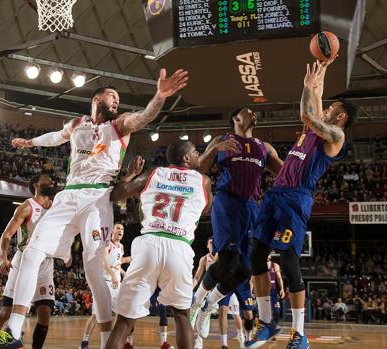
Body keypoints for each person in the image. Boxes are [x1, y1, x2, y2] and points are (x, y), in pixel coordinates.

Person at [0, 68, 188, 349]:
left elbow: (144, 117)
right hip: (68, 196)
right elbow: (56, 137)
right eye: (112, 96)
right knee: (32, 252)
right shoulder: (77, 124)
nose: (116, 101)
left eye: (118, 98)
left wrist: (160, 95)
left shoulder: (119, 125)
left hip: (98, 199)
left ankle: (108, 341)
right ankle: (14, 332)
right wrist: (29, 142)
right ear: (96, 99)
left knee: (94, 270)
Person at [248, 58, 357, 348]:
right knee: (256, 255)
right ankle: (268, 322)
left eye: (332, 108)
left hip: (297, 198)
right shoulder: (313, 129)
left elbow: (310, 113)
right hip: (276, 193)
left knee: (288, 261)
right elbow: (315, 101)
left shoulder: (335, 136)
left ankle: (299, 333)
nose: (327, 107)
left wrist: (307, 87)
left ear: (341, 117)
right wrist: (318, 78)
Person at [105, 140, 213, 349]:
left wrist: (130, 174)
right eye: (195, 152)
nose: (198, 155)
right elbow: (207, 209)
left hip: (149, 244)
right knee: (182, 315)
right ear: (186, 159)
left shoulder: (153, 174)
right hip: (179, 246)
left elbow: (116, 195)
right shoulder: (204, 180)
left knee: (125, 320)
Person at [190, 107, 283, 340]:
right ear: (235, 118)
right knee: (226, 264)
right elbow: (198, 170)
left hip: (252, 206)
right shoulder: (223, 140)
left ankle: (210, 303)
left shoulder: (264, 147)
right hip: (227, 202)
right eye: (247, 111)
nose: (253, 113)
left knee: (249, 267)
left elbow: (284, 173)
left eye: (255, 111)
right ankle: (197, 300)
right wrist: (212, 149)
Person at [0, 175, 55, 349]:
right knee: (5, 313)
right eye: (47, 181)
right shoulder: (27, 207)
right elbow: (7, 235)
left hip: (46, 262)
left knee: (45, 313)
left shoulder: (56, 207)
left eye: (52, 181)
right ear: (36, 185)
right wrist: (4, 257)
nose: (51, 183)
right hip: (25, 259)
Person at [80, 223, 132, 349]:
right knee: (95, 315)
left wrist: (124, 273)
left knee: (119, 313)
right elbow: (104, 263)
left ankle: (112, 339)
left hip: (116, 284)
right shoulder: (107, 245)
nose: (120, 231)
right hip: (105, 282)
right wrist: (112, 275)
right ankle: (85, 341)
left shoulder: (121, 247)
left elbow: (117, 265)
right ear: (112, 231)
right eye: (118, 228)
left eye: (122, 229)